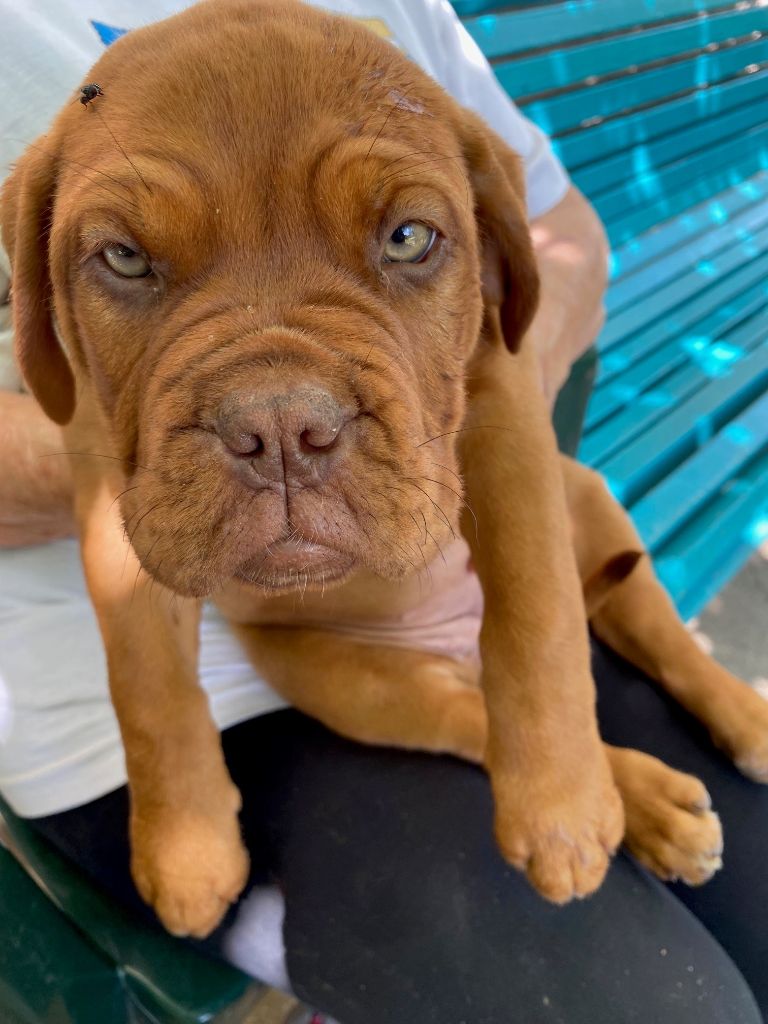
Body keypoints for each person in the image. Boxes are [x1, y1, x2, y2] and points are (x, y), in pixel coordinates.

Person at [0, 2, 766, 1021]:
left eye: (404, 233)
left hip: (474, 573)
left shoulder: (399, 22)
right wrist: (171, 765)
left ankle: (689, 676)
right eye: (131, 258)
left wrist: (442, 420)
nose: (285, 420)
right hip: (242, 671)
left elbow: (556, 245)